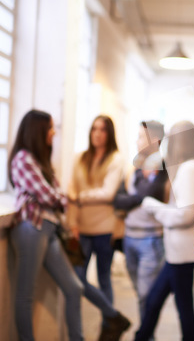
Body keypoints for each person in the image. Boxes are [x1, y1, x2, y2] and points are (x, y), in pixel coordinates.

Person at [8, 109, 84, 340]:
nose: (54, 132)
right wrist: (61, 198)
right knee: (25, 295)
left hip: (48, 228)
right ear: (38, 130)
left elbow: (55, 194)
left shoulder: (39, 161)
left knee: (74, 288)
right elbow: (50, 196)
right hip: (32, 227)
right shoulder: (22, 159)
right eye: (50, 128)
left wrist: (59, 197)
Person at [135, 121, 194, 341]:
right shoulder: (187, 167)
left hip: (182, 252)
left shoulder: (191, 168)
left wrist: (152, 206)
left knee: (180, 305)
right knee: (157, 301)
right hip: (177, 251)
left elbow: (186, 215)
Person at [67, 115, 130, 340]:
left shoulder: (116, 159)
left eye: (102, 130)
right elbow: (71, 191)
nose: (97, 133)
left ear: (109, 133)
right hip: (81, 230)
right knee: (77, 280)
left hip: (105, 229)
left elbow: (108, 193)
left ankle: (108, 328)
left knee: (104, 277)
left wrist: (81, 197)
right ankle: (113, 316)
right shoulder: (81, 158)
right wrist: (72, 223)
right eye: (94, 129)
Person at [113, 120, 168, 321]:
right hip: (129, 238)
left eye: (140, 137)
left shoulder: (162, 166)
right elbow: (117, 199)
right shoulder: (135, 168)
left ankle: (146, 334)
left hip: (150, 240)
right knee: (140, 294)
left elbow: (150, 192)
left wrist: (134, 198)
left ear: (154, 140)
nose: (136, 142)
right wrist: (137, 199)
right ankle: (147, 332)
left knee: (146, 295)